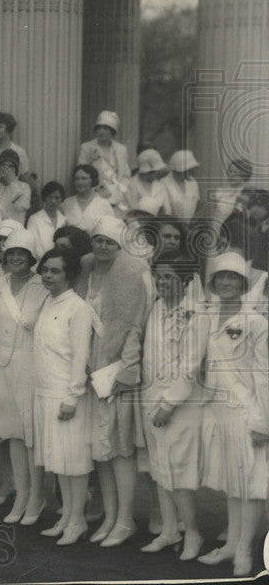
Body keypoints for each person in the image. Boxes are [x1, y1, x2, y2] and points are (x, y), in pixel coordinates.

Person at [196, 252, 268, 576]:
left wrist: (263, 422)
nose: (225, 283)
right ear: (212, 283)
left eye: (232, 278)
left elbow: (264, 375)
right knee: (232, 482)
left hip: (248, 412)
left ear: (242, 283)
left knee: (251, 485)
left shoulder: (256, 322)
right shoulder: (207, 317)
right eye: (220, 277)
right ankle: (230, 544)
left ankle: (244, 550)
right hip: (219, 412)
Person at [80, 216, 149, 547]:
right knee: (98, 448)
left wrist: (126, 368)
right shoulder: (86, 272)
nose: (103, 247)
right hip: (89, 367)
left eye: (109, 241)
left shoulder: (132, 275)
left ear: (119, 246)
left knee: (120, 447)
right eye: (98, 240)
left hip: (117, 369)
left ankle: (125, 520)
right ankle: (109, 516)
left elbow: (135, 327)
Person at [135, 251, 207, 559]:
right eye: (159, 277)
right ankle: (168, 529)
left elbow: (189, 368)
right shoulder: (156, 309)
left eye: (169, 277)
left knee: (179, 470)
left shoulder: (197, 314)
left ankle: (193, 533)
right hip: (152, 400)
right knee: (159, 468)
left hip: (181, 404)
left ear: (186, 279)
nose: (162, 283)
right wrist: (152, 401)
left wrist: (168, 405)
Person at [33, 247, 94, 544]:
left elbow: (80, 357)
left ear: (69, 275)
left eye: (55, 270)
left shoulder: (78, 308)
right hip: (46, 391)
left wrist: (72, 397)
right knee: (58, 461)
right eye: (45, 269)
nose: (48, 275)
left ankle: (78, 519)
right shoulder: (47, 301)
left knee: (74, 460)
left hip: (68, 394)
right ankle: (67, 516)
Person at [0, 229, 50, 523]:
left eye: (21, 254)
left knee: (30, 436)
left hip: (29, 365)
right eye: (11, 253)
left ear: (31, 258)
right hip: (1, 365)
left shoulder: (42, 284)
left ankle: (36, 498)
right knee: (13, 434)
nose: (15, 258)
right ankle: (22, 495)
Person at [79, 111, 132, 214]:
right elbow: (81, 173)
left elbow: (126, 175)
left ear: (112, 131)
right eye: (99, 128)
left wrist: (120, 191)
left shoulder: (121, 149)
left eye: (105, 128)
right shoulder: (87, 147)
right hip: (95, 195)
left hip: (118, 198)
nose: (101, 131)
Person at [62, 164, 115, 232]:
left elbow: (111, 230)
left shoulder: (103, 204)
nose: (79, 182)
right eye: (76, 179)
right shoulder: (67, 203)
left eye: (84, 178)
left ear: (92, 180)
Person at [0, 149, 31, 225]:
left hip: (16, 230)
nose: (6, 169)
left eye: (11, 166)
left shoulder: (24, 187)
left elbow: (21, 206)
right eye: (3, 165)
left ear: (16, 169)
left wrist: (11, 182)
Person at [28, 181, 67, 258]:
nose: (53, 201)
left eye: (56, 197)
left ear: (61, 199)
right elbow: (32, 245)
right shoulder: (34, 219)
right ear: (44, 198)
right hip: (40, 262)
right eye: (50, 197)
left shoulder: (64, 220)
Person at [162, 150, 201, 221]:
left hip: (190, 228)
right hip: (170, 229)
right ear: (180, 170)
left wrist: (194, 222)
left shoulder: (192, 182)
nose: (192, 172)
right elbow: (163, 214)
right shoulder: (163, 184)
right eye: (189, 169)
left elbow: (198, 205)